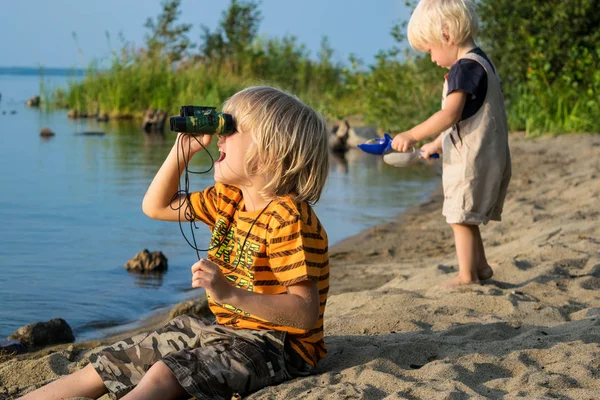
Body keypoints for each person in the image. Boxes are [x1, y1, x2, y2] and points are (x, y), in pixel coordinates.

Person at [20, 86, 330, 400]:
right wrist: (181, 152)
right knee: (108, 363)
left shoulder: (289, 218)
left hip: (280, 347)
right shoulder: (227, 200)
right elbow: (155, 205)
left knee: (164, 373)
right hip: (226, 329)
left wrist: (230, 294)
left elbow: (304, 313)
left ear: (270, 153)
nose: (219, 136)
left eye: (230, 129)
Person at [391, 0, 511, 287]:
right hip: (487, 155)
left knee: (459, 217)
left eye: (430, 49)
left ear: (446, 36)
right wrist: (437, 144)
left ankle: (467, 276)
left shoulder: (464, 67)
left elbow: (451, 113)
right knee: (465, 217)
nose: (432, 58)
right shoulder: (482, 62)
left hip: (471, 159)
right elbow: (470, 118)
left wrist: (412, 134)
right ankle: (481, 268)